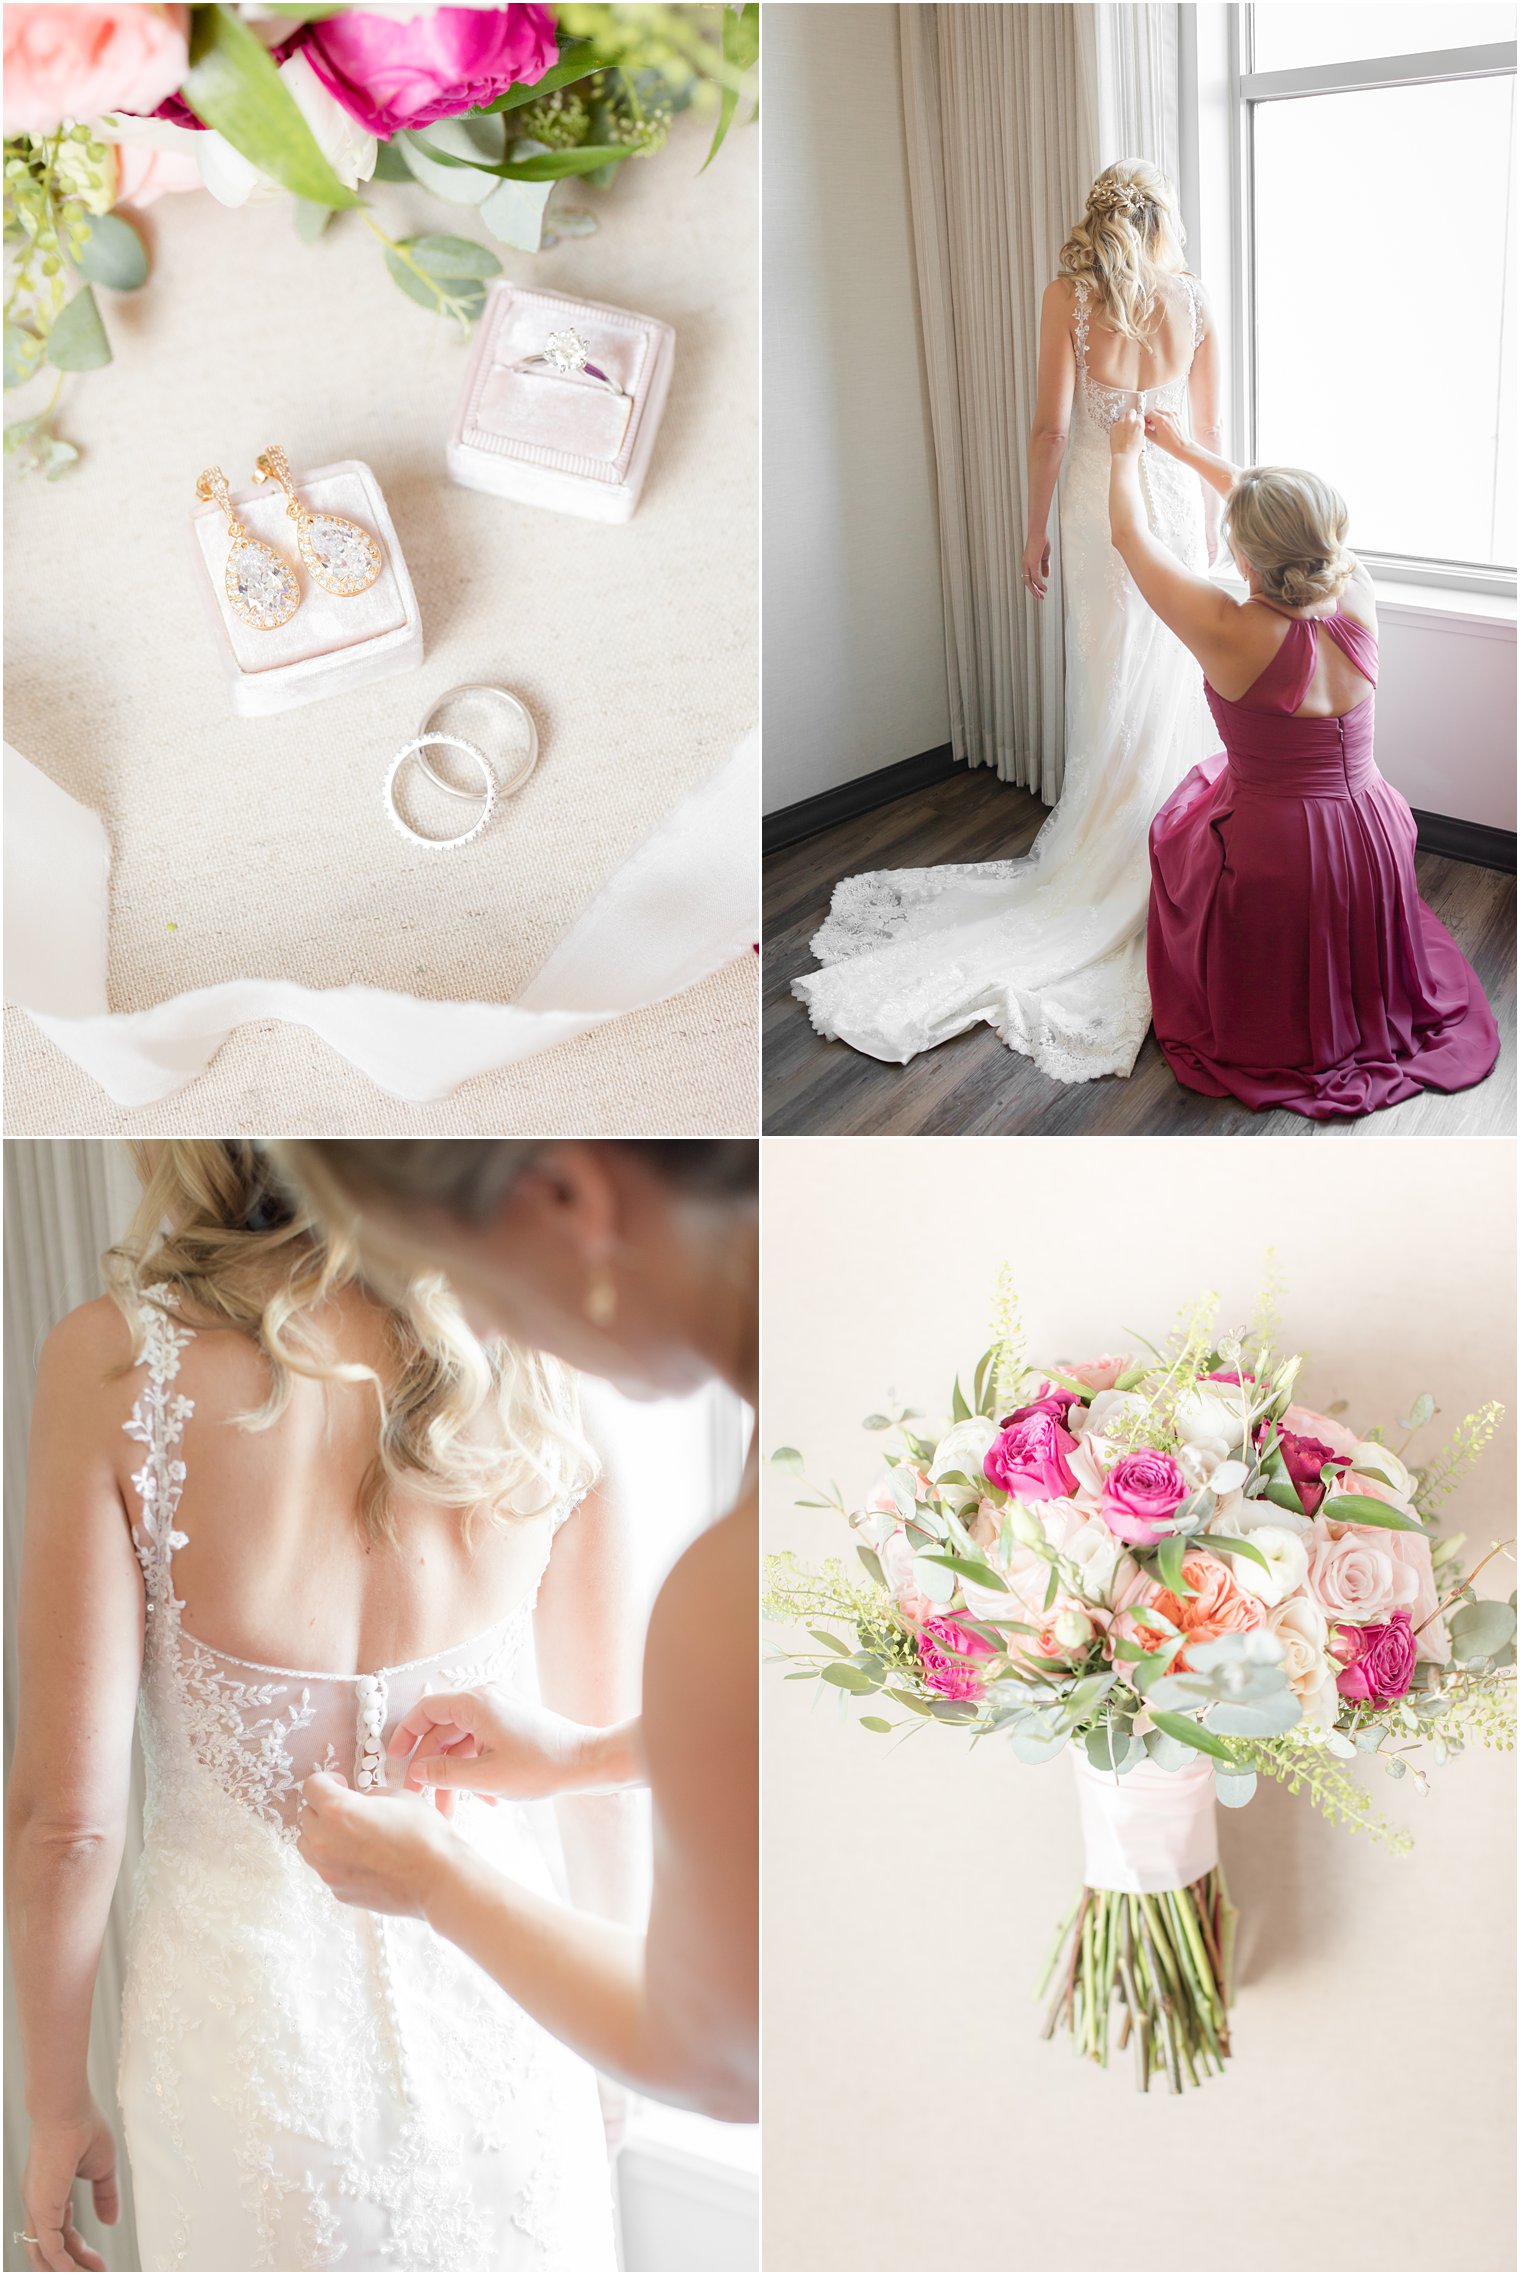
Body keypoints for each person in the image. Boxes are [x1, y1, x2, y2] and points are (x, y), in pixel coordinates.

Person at [7, 1142, 632, 2272]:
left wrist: (52, 2107)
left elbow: (66, 1825)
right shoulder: (546, 1339)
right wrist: (615, 2030)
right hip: (518, 2015)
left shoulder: (115, 1363)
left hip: (248, 2064)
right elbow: (600, 1781)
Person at [276, 1140, 758, 2123]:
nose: (482, 1327)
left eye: (463, 1276)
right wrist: (589, 1754)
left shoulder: (725, 1586)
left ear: (568, 1192)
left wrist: (438, 1879)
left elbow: (723, 2057)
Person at [791, 159, 1218, 1084]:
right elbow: (1206, 438)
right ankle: (1170, 859)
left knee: (1113, 686)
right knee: (1171, 683)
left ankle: (1112, 853)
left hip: (1105, 514)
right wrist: (1213, 530)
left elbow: (1050, 432)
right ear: (1161, 223)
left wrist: (1032, 531)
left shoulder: (1069, 294)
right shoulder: (1194, 302)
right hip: (1178, 509)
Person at [1109, 407, 1499, 1116]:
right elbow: (1283, 519)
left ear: (1247, 558)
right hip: (1375, 834)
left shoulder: (1228, 627)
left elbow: (1129, 537)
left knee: (1178, 827)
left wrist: (1123, 453)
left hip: (1277, 854)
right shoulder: (1359, 591)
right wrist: (1190, 449)